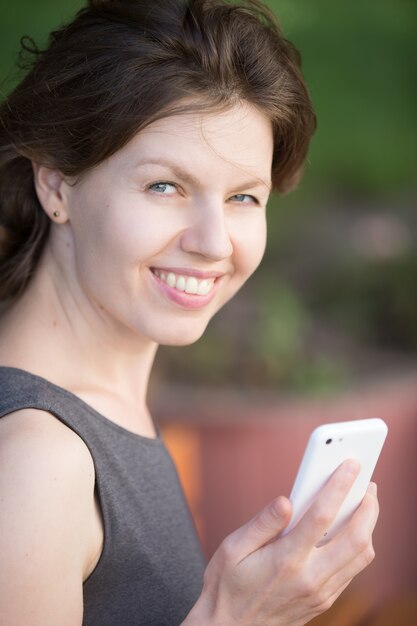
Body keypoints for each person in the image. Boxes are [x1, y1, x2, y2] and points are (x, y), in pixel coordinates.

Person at [0, 1, 379, 624]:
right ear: (57, 185)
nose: (213, 241)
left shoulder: (99, 399)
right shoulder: (37, 464)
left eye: (242, 197)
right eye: (164, 186)